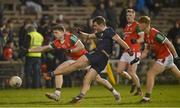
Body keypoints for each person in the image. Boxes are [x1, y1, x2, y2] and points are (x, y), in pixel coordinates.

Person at [42, 16, 133, 103]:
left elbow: (119, 40)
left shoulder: (109, 31)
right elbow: (89, 36)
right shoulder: (100, 33)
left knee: (75, 66)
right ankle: (81, 96)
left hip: (98, 54)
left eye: (95, 25)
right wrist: (80, 32)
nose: (94, 27)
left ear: (101, 24)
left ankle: (52, 73)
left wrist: (128, 49)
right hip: (103, 59)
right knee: (88, 79)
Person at [28, 24, 121, 102]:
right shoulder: (56, 42)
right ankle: (57, 94)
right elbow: (43, 48)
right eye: (54, 33)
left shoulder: (70, 36)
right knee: (60, 70)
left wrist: (70, 51)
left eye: (56, 32)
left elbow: (81, 46)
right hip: (76, 62)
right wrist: (29, 50)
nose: (55, 35)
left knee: (97, 79)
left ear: (63, 32)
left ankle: (115, 92)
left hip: (86, 60)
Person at [138, 16, 180, 103]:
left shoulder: (156, 34)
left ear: (145, 24)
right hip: (163, 58)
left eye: (140, 23)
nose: (139, 25)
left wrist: (176, 56)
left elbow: (169, 44)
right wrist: (137, 58)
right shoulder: (146, 35)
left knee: (150, 74)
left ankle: (147, 98)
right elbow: (146, 50)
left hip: (165, 57)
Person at [117, 9, 144, 96]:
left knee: (132, 72)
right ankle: (132, 81)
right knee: (119, 71)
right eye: (127, 15)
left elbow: (142, 38)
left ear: (134, 16)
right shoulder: (126, 27)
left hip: (134, 51)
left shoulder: (137, 25)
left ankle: (139, 90)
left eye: (130, 15)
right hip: (126, 51)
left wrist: (135, 41)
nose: (128, 17)